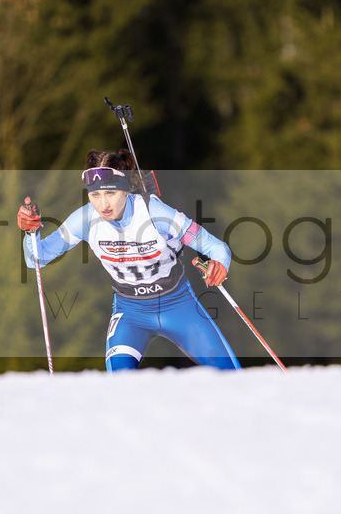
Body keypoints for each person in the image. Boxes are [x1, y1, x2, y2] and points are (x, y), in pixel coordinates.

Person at [18, 149, 241, 371]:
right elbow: (37, 258)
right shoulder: (85, 219)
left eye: (111, 194)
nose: (103, 204)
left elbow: (215, 247)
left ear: (125, 191)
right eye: (95, 195)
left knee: (231, 376)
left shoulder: (154, 212)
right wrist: (31, 232)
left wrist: (219, 264)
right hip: (131, 313)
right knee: (120, 381)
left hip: (178, 304)